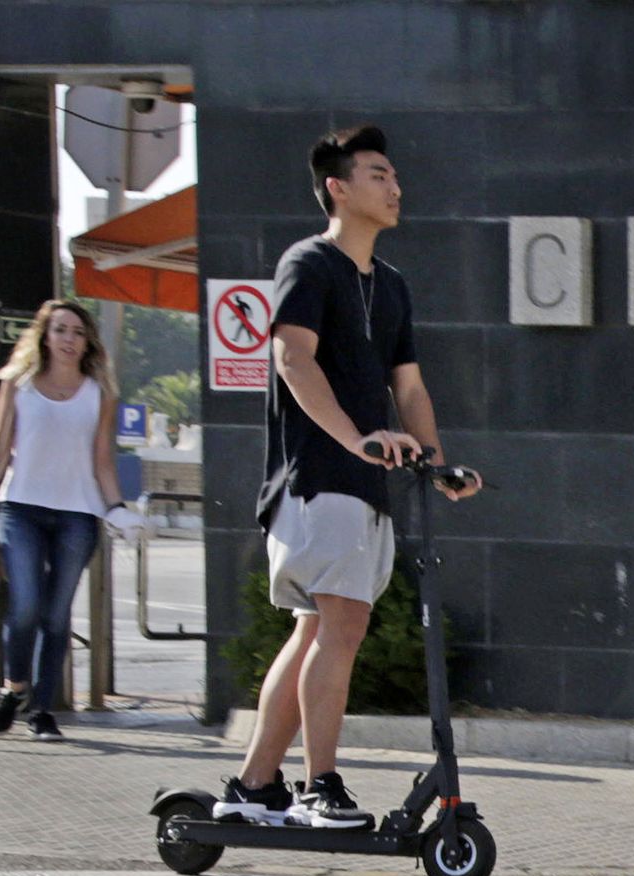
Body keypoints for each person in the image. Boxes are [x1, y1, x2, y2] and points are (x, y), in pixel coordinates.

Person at [213, 125, 481, 829]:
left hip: (363, 483)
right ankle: (318, 787)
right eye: (379, 175)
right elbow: (293, 361)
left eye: (395, 177)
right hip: (315, 476)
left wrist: (434, 460)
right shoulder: (309, 264)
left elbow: (411, 389)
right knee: (343, 622)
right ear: (338, 187)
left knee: (314, 631)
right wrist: (359, 439)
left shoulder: (390, 286)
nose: (395, 188)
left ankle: (253, 786)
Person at [0, 299, 146, 740]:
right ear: (44, 336)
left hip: (78, 514)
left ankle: (42, 710)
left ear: (87, 343)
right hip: (20, 506)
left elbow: (103, 458)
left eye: (77, 332)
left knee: (57, 614)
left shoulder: (99, 392)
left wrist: (117, 506)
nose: (68, 339)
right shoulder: (19, 383)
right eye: (60, 330)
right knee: (24, 604)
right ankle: (14, 687)